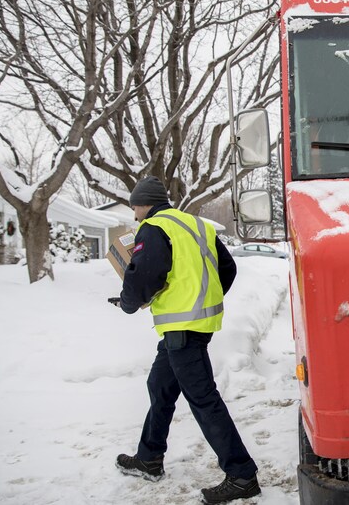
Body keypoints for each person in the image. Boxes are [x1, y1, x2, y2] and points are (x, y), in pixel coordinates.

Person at [112, 176, 260, 504]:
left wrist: (128, 302)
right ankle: (149, 458)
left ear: (142, 203)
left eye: (134, 205)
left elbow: (143, 275)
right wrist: (204, 296)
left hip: (181, 325)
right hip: (197, 323)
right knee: (160, 386)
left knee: (203, 399)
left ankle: (241, 474)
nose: (134, 212)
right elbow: (228, 267)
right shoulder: (196, 224)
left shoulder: (153, 227)